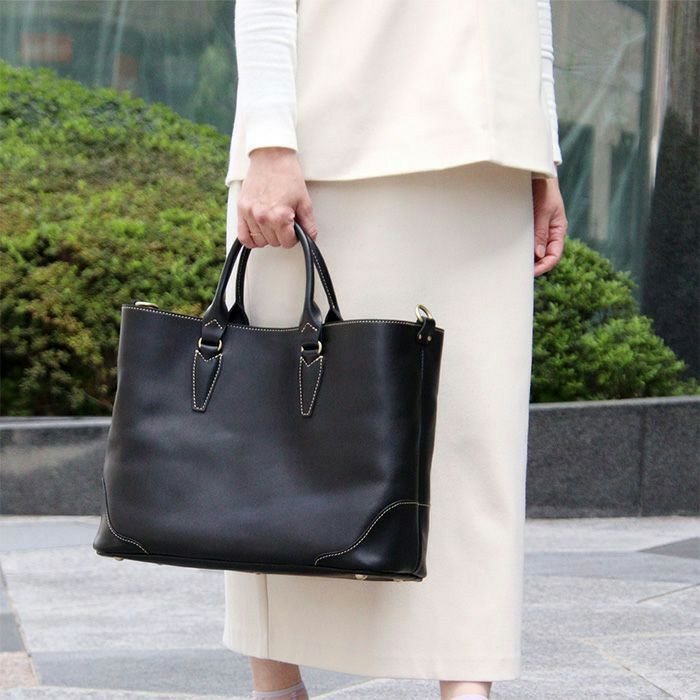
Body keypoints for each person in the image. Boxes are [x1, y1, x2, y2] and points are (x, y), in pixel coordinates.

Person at [222, 1, 568, 698]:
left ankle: (467, 689)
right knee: (286, 431)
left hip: (490, 150)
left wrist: (543, 151)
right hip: (324, 138)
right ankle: (276, 686)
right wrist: (268, 141)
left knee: (475, 443)